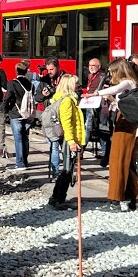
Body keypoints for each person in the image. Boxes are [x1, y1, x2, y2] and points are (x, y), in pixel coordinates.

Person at [84, 60, 138, 211]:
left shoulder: (128, 82)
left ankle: (114, 200)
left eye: (112, 71)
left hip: (124, 124)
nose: (110, 75)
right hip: (129, 123)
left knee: (117, 160)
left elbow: (117, 88)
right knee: (128, 162)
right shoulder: (134, 83)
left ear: (118, 71)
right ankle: (133, 198)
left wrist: (96, 92)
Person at [46, 74, 87, 211]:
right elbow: (67, 123)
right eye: (76, 83)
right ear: (69, 85)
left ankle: (55, 198)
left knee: (67, 170)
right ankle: (59, 199)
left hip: (70, 140)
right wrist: (71, 141)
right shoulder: (67, 101)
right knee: (67, 170)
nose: (78, 85)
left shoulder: (64, 99)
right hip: (70, 140)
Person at [4, 61, 34, 171]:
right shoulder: (30, 84)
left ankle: (20, 163)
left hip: (16, 113)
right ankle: (25, 161)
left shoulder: (12, 83)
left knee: (18, 138)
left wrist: (5, 110)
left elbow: (8, 98)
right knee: (25, 138)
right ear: (26, 71)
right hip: (27, 114)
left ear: (16, 71)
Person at [81, 58, 110, 166]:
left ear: (99, 66)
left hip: (99, 106)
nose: (91, 67)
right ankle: (105, 154)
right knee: (95, 129)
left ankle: (81, 151)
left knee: (93, 128)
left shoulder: (102, 77)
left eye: (93, 65)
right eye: (89, 65)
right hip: (90, 105)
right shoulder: (90, 76)